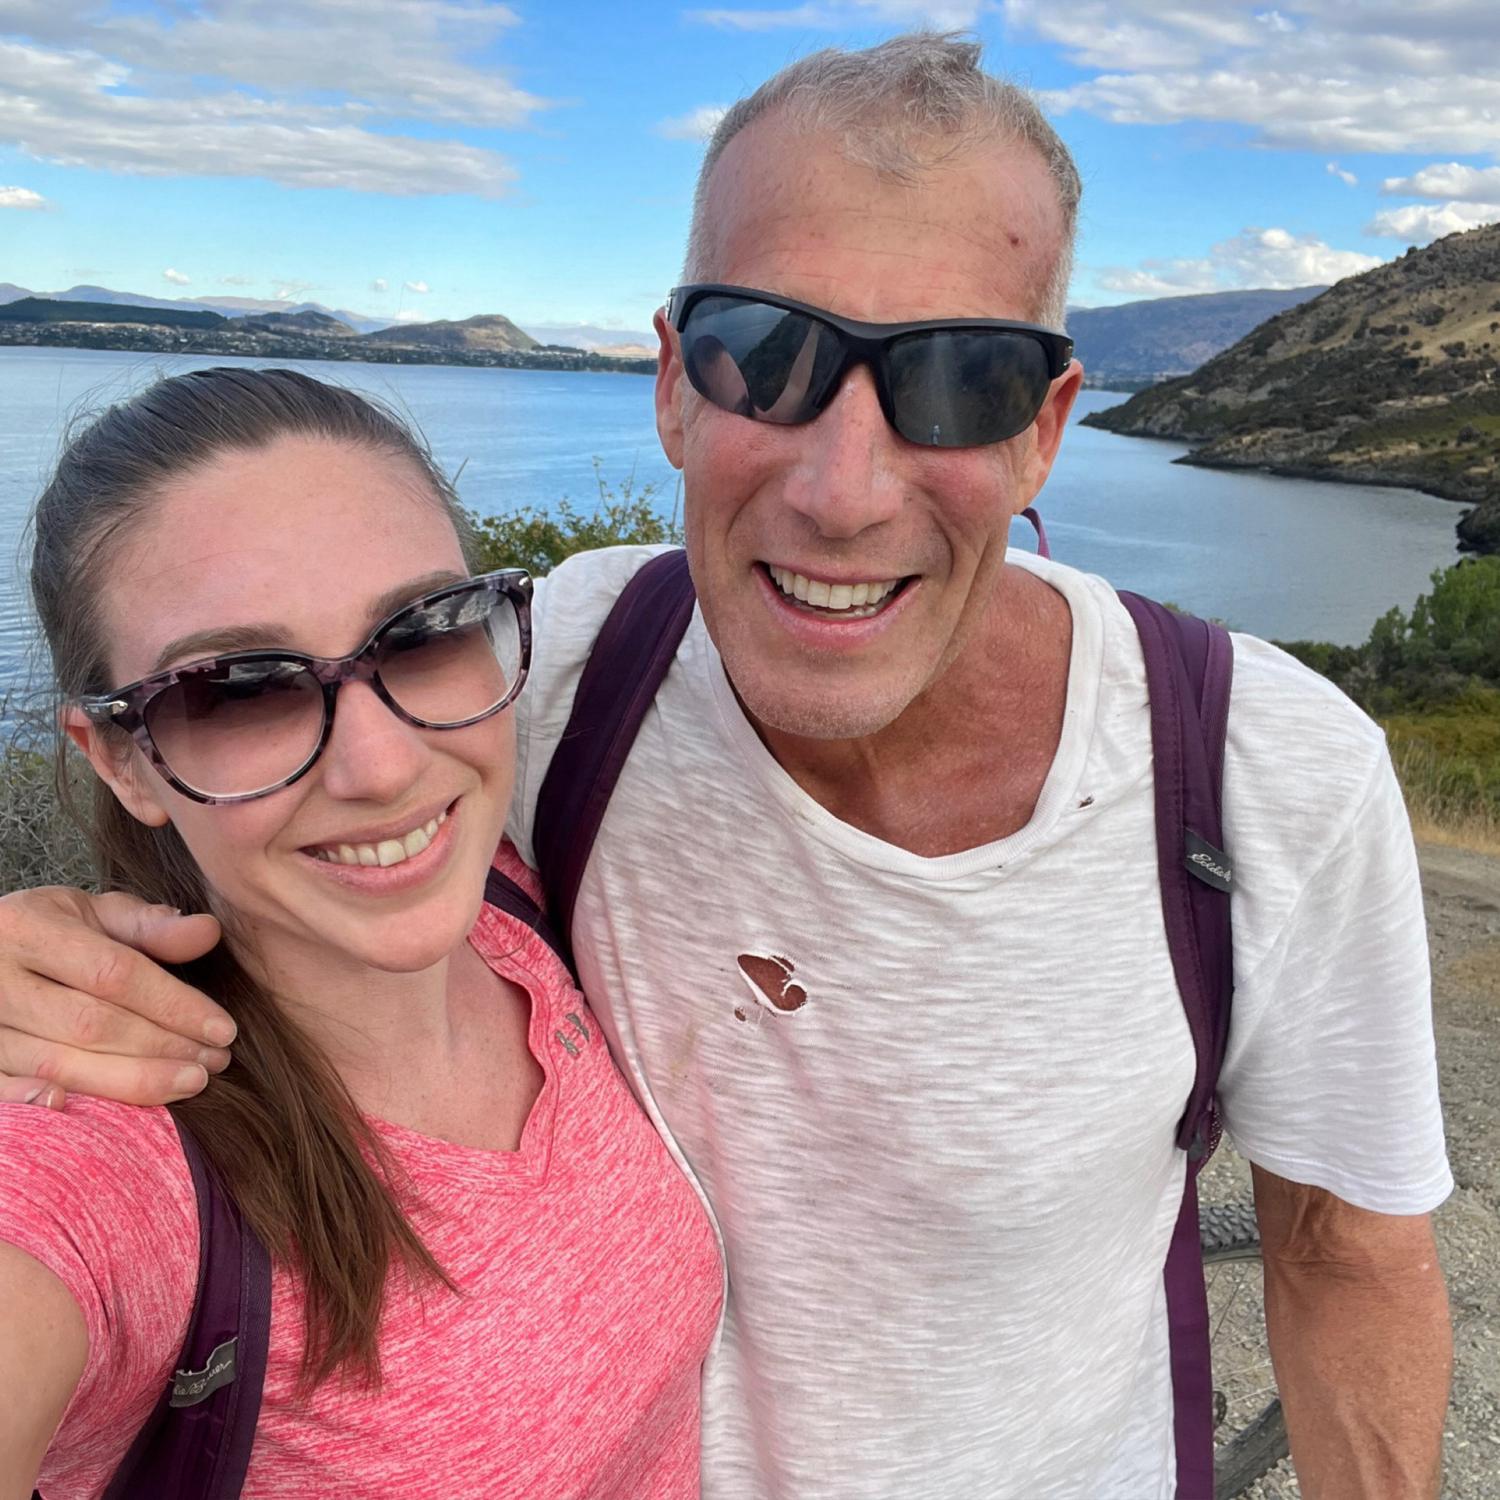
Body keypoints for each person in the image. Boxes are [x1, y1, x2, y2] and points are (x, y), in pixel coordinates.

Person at [0, 34, 1453, 1500]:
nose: (842, 490)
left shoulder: (1265, 776)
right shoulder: (541, 670)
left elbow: (1347, 1257)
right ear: (674, 391)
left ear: (1045, 432)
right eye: (765, 357)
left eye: (959, 381)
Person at [0, 368, 722, 1497]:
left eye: (423, 631)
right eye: (238, 688)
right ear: (125, 760)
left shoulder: (521, 908)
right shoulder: (108, 1152)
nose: (384, 765)